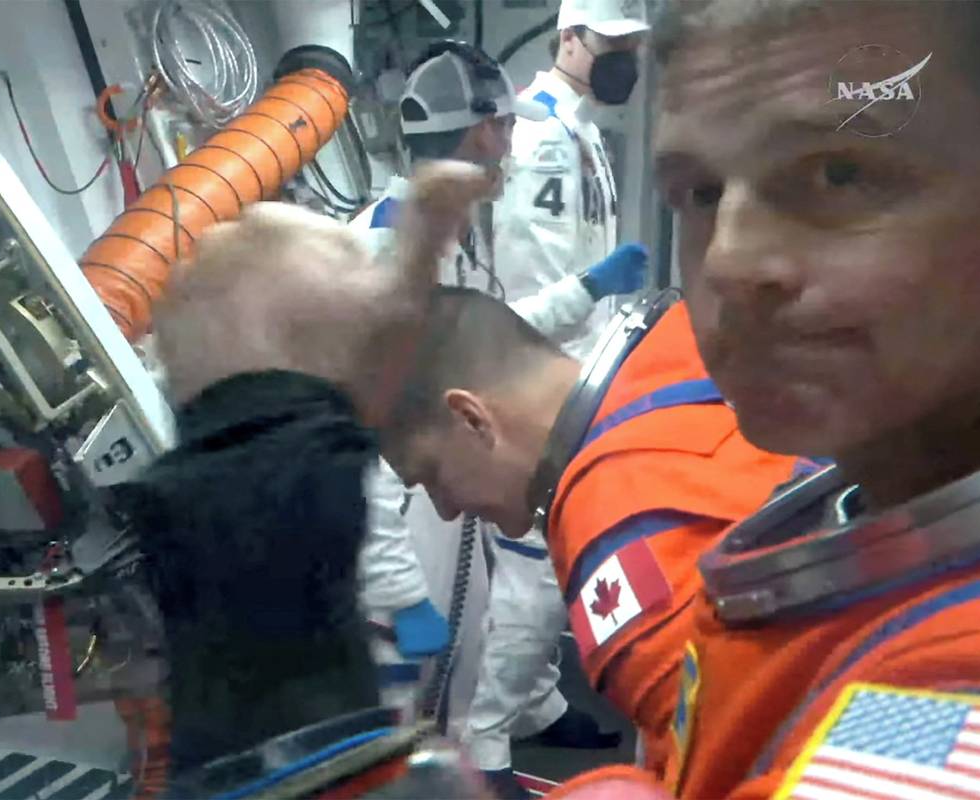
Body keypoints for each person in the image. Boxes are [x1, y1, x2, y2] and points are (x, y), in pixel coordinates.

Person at [555, 0, 980, 796]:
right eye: (700, 193)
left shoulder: (968, 693)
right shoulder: (863, 533)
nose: (728, 263)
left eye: (840, 174)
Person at [122, 163, 500, 797]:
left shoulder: (180, 490)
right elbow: (383, 349)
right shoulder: (299, 467)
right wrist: (422, 244)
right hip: (319, 763)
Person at [350, 40, 646, 797]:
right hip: (402, 517)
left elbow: (488, 337)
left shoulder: (452, 236)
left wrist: (585, 289)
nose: (514, 146)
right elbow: (361, 444)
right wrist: (399, 591)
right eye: (508, 129)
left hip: (442, 490)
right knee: (395, 715)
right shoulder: (387, 254)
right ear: (486, 131)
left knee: (459, 670)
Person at [377, 283, 806, 781]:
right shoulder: (684, 345)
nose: (446, 510)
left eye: (432, 475)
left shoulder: (618, 532)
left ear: (472, 420)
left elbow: (741, 773)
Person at [498, 0, 650, 362]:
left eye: (633, 46)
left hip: (580, 363)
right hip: (543, 367)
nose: (624, 59)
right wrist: (596, 285)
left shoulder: (583, 128)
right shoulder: (538, 132)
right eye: (612, 44)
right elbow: (527, 301)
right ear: (568, 38)